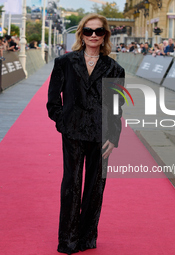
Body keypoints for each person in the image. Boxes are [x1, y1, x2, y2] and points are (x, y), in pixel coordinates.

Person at [47, 13, 125, 255]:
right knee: (71, 184)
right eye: (88, 31)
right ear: (81, 34)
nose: (93, 35)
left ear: (105, 36)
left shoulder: (114, 68)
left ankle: (86, 237)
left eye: (98, 31)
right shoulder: (65, 63)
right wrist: (63, 123)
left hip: (101, 134)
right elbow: (53, 101)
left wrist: (114, 137)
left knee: (95, 187)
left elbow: (116, 108)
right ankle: (68, 241)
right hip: (72, 132)